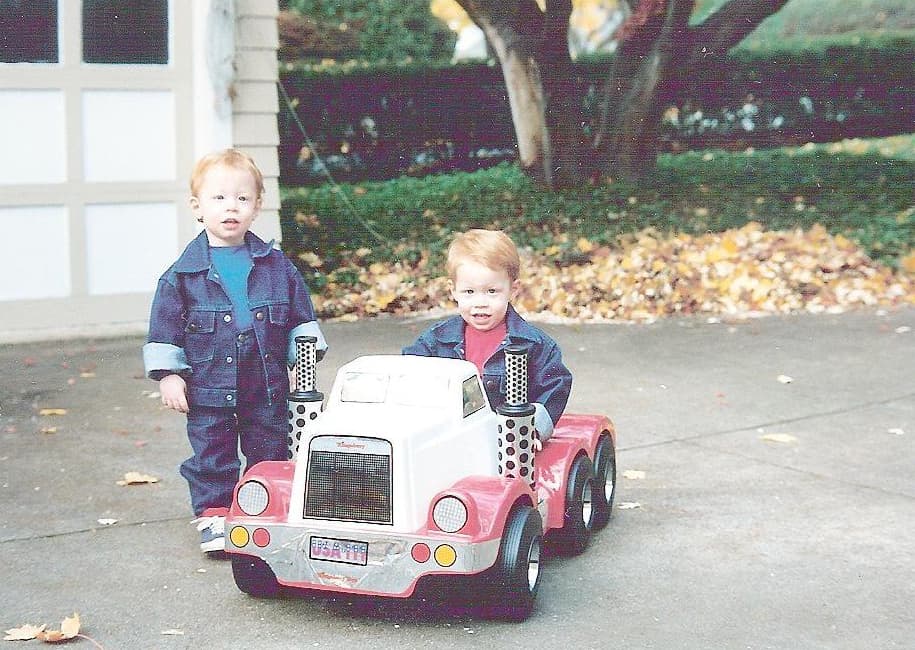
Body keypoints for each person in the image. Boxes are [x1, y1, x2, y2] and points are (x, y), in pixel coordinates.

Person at [143, 149, 327, 556]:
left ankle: (264, 508)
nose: (231, 207)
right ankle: (215, 513)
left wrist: (304, 365)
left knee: (270, 446)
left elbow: (300, 320)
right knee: (213, 450)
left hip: (265, 381)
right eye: (219, 199)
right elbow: (165, 330)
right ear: (197, 207)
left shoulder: (277, 266)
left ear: (257, 207)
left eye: (242, 199)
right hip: (208, 387)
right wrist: (170, 375)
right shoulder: (181, 276)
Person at [403, 229, 571, 448]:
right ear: (453, 291)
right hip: (448, 437)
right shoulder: (436, 340)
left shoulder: (534, 345)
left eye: (492, 291)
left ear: (513, 290)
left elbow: (555, 386)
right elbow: (407, 371)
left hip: (506, 442)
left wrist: (533, 428)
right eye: (469, 292)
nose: (480, 302)